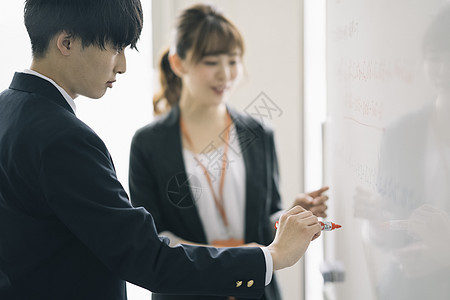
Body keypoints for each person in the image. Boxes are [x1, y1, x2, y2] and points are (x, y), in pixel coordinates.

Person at [0, 0, 323, 299]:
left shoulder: (9, 108)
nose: (123, 65)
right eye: (116, 47)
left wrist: (283, 223)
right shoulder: (67, 137)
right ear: (66, 42)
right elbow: (146, 253)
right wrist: (273, 256)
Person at [129, 4, 329, 300]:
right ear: (178, 62)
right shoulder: (148, 143)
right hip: (189, 292)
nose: (225, 74)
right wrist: (228, 260)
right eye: (211, 62)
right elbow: (153, 240)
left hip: (256, 291)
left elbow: (264, 217)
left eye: (233, 61)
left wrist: (286, 218)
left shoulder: (258, 134)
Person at [353, 4, 450, 300]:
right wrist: (376, 219)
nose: (443, 70)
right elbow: (390, 226)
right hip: (405, 289)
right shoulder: (399, 133)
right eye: (434, 58)